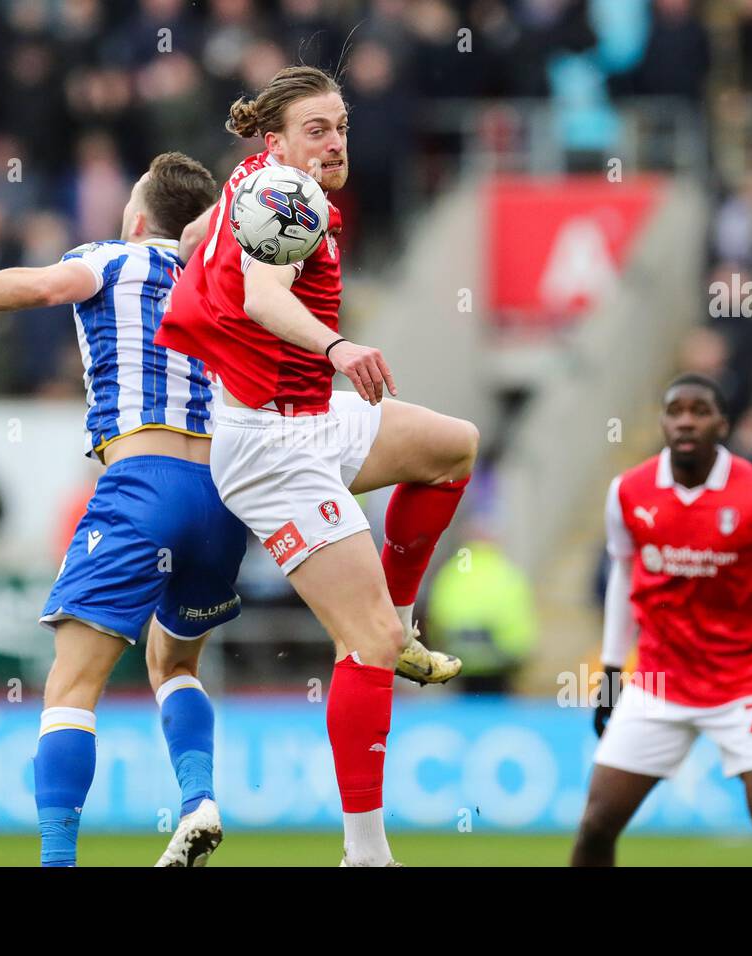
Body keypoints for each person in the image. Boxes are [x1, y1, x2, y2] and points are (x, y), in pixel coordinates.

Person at [0, 152, 248, 868]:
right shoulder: (219, 284)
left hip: (144, 480)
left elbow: (41, 285)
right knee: (173, 665)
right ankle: (198, 798)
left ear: (137, 217)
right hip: (221, 497)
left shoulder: (114, 258)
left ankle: (57, 861)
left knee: (69, 684)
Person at [155, 66, 479, 866]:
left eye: (340, 126)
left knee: (452, 446)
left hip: (307, 418)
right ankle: (364, 852)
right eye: (316, 129)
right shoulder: (283, 199)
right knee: (361, 642)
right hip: (273, 447)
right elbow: (265, 296)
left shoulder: (252, 178)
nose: (333, 142)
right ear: (278, 140)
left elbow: (201, 241)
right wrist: (339, 346)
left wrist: (192, 251)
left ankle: (399, 622)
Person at [571, 374, 752, 867]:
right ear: (663, 421)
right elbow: (625, 574)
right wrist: (609, 668)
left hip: (745, 682)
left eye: (700, 410)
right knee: (596, 824)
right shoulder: (629, 491)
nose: (686, 420)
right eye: (675, 410)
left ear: (723, 423)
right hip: (660, 682)